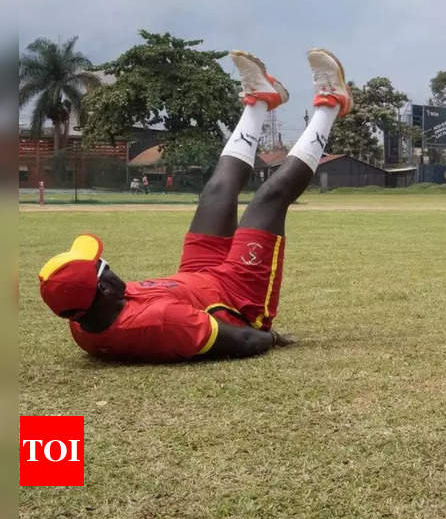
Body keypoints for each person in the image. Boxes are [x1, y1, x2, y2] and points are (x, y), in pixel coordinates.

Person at [37, 49, 353, 362]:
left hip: (196, 275)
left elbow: (95, 311)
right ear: (104, 289)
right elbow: (243, 338)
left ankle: (260, 99)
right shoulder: (161, 321)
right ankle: (332, 104)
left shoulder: (84, 315)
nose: (107, 264)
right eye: (102, 267)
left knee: (216, 190)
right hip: (237, 296)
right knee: (268, 197)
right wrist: (269, 337)